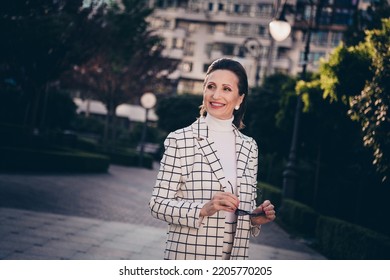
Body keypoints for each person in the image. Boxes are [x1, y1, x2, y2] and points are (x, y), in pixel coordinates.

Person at [149, 57, 276, 260]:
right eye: (211, 86)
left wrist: (254, 217)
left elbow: (238, 210)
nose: (216, 95)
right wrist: (204, 208)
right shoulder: (180, 140)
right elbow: (157, 204)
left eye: (226, 89)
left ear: (240, 99)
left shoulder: (249, 146)